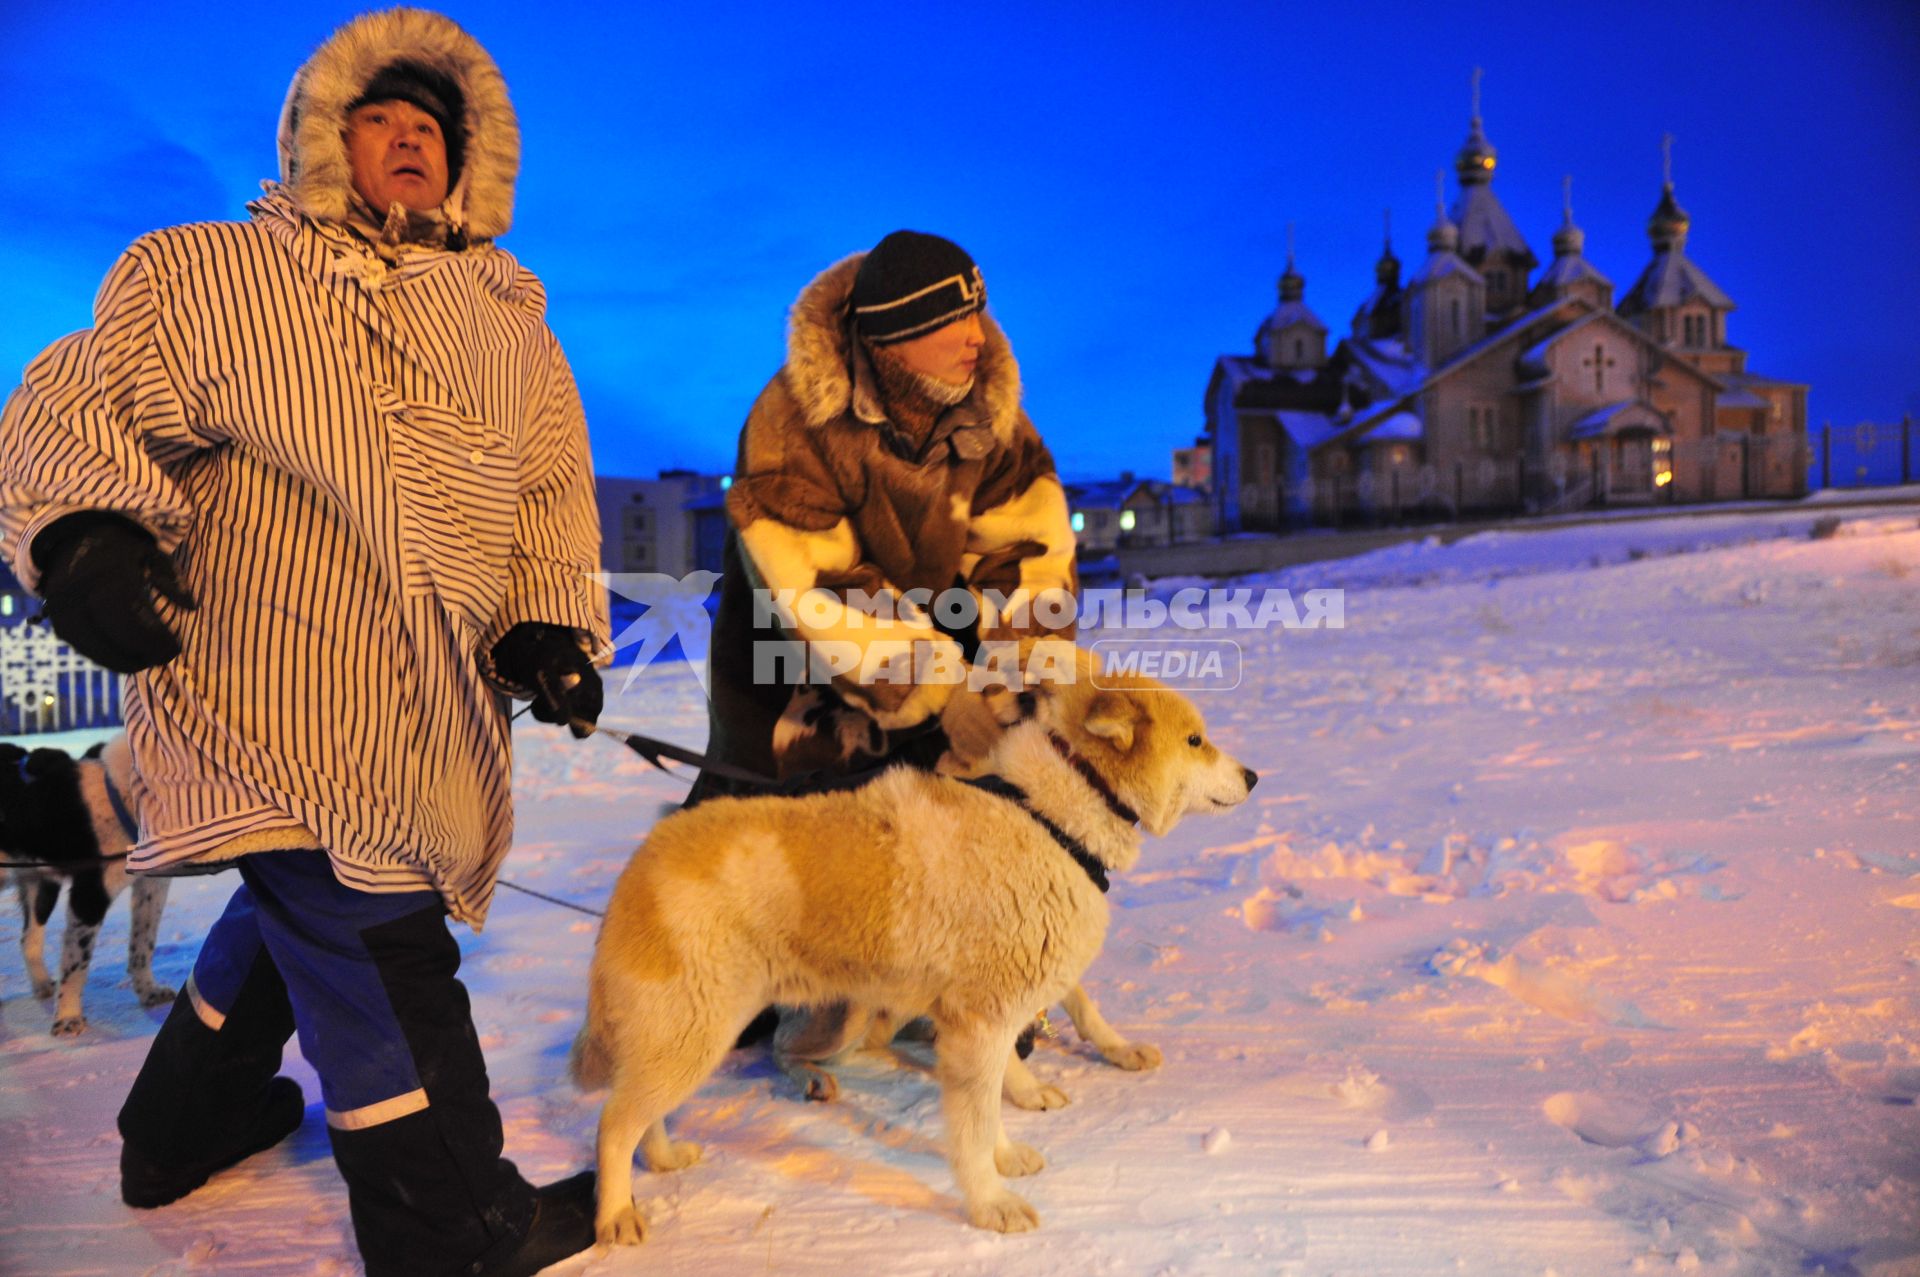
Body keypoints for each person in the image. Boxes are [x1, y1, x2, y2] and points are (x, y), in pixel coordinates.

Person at [0, 11, 608, 1275]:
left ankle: (180, 1126)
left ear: (471, 162)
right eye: (379, 120)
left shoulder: (510, 324)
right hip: (258, 680)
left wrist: (545, 621)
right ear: (323, 141)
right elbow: (84, 391)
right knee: (380, 943)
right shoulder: (212, 273)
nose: (407, 142)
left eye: (432, 130)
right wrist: (83, 535)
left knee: (303, 901)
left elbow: (548, 492)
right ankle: (454, 1225)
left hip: (427, 710)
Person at [692, 229, 1078, 803]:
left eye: (978, 312)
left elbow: (1025, 558)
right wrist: (942, 692)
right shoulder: (794, 423)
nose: (979, 335)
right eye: (956, 319)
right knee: (789, 868)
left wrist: (1007, 680)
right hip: (794, 684)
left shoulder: (991, 417)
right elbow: (819, 591)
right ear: (899, 334)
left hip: (947, 680)